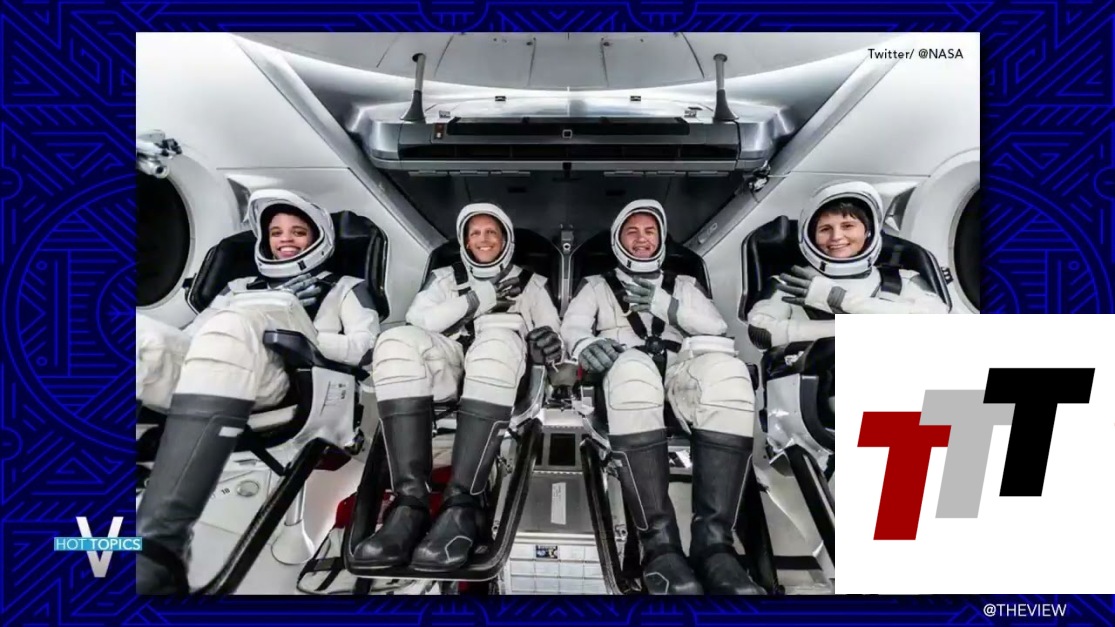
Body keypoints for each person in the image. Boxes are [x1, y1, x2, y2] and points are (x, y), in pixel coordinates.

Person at [135, 189, 382, 594]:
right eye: (276, 232)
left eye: (298, 231)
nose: (285, 239)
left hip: (289, 377)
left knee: (236, 324)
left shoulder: (345, 287)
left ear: (318, 238)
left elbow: (365, 347)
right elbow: (195, 339)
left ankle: (161, 545)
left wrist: (289, 323)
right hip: (216, 364)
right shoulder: (236, 286)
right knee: (140, 336)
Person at [560, 199, 765, 596]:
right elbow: (574, 327)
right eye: (632, 232)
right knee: (633, 371)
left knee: (729, 375)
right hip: (625, 369)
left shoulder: (684, 285)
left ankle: (714, 546)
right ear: (618, 240)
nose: (641, 239)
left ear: (661, 239)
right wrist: (586, 345)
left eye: (649, 231)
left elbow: (715, 328)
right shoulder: (597, 285)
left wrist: (665, 305)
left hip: (680, 371)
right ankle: (659, 546)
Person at [353, 202, 564, 571]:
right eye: (475, 233)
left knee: (497, 340)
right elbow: (420, 319)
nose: (483, 239)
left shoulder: (531, 284)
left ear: (506, 239)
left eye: (491, 232)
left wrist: (546, 344)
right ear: (465, 241)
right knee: (395, 340)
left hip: (504, 368)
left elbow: (553, 333)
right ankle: (410, 505)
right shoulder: (445, 278)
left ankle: (463, 505)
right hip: (449, 363)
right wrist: (477, 299)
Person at [746, 181, 949, 350]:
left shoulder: (904, 280)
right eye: (825, 229)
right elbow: (761, 333)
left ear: (868, 231)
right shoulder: (790, 283)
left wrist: (841, 299)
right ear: (810, 236)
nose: (836, 236)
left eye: (848, 226)